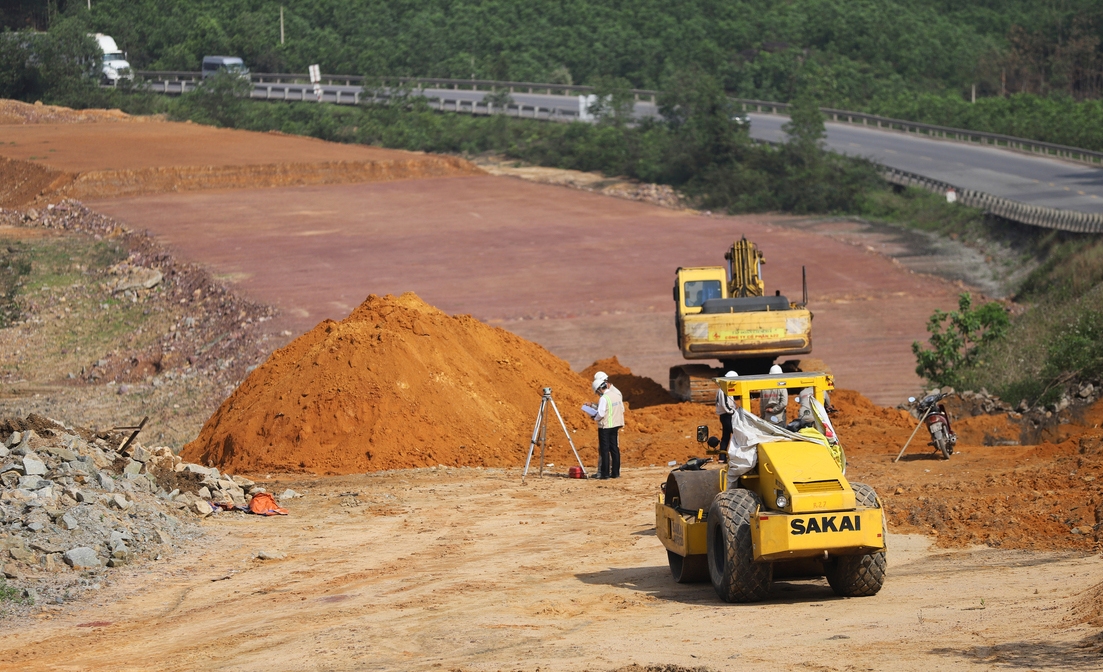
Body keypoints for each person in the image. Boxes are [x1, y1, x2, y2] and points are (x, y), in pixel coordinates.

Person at [592, 372, 624, 479]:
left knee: (605, 450)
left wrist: (594, 417)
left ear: (599, 389)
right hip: (615, 425)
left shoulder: (604, 398)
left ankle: (605, 474)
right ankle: (615, 473)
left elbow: (600, 413)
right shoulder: (616, 395)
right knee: (614, 448)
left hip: (605, 427)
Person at [715, 371, 738, 459]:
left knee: (725, 436)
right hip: (726, 415)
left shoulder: (723, 389)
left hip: (725, 415)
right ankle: (735, 455)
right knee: (736, 434)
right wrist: (732, 412)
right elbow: (725, 404)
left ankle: (722, 457)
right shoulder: (723, 390)